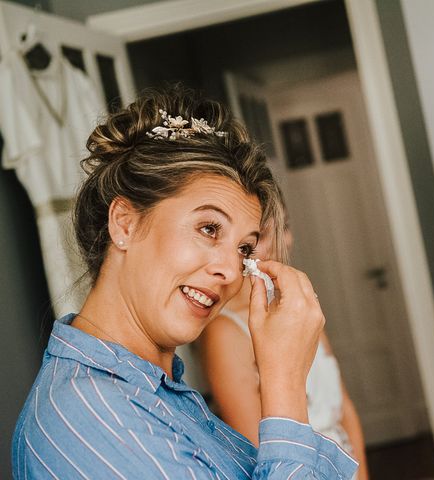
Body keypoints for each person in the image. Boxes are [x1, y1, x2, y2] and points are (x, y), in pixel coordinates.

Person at [11, 87, 358, 480]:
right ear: (124, 223)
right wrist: (284, 382)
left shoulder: (160, 394)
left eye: (244, 248)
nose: (231, 271)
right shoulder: (87, 412)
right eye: (209, 228)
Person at [200, 220, 370, 480]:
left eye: (285, 227)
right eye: (262, 234)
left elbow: (343, 405)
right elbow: (253, 444)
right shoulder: (225, 331)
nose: (282, 241)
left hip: (343, 465)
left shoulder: (299, 311)